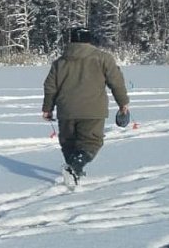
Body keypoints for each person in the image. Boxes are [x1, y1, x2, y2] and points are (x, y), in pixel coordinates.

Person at [42, 26, 130, 183]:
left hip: (66, 111)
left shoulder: (59, 62)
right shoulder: (103, 58)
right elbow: (116, 82)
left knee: (68, 142)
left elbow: (50, 87)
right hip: (93, 110)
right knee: (91, 142)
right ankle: (75, 166)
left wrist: (47, 109)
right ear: (89, 40)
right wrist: (123, 103)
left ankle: (74, 170)